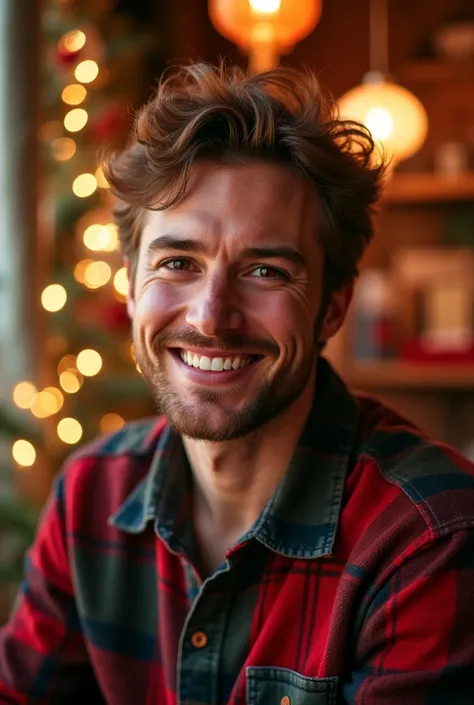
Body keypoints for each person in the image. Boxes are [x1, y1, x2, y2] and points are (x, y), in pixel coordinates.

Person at [1, 62, 473, 705]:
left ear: (334, 305)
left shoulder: (429, 535)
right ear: (132, 288)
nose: (210, 317)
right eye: (177, 262)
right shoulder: (91, 493)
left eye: (266, 271)